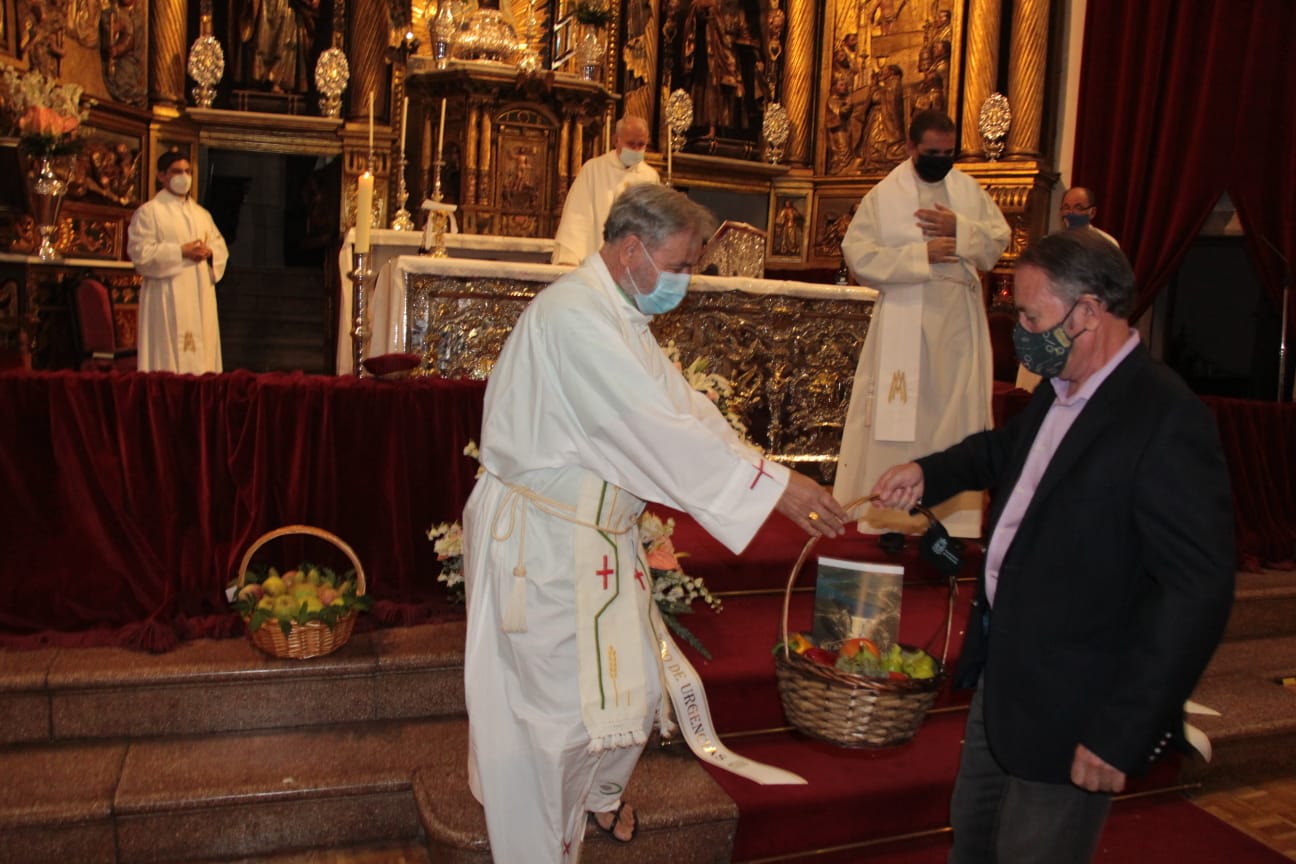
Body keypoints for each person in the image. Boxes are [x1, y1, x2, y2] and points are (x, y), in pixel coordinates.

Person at [463, 183, 848, 863]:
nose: (685, 281)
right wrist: (777, 490)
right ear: (632, 248)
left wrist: (774, 472)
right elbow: (653, 434)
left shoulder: (618, 316)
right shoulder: (575, 319)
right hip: (548, 547)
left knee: (619, 701)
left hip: (591, 541)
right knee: (551, 724)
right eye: (680, 265)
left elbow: (687, 414)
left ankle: (581, 815)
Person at [869, 229, 1235, 863]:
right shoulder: (1060, 390)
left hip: (1078, 712)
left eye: (1033, 316)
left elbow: (1195, 592)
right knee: (974, 845)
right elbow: (1004, 452)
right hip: (1007, 686)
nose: (1024, 331)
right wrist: (930, 471)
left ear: (1088, 312)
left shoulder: (1165, 419)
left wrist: (1125, 730)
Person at [833, 110, 1010, 537]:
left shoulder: (967, 191)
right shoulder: (884, 195)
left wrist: (960, 229)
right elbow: (859, 255)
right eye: (932, 153)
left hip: (955, 324)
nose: (941, 160)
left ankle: (948, 521)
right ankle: (893, 518)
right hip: (905, 316)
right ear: (912, 148)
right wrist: (920, 257)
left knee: (951, 418)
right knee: (902, 420)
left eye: (949, 153)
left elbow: (998, 241)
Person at [127, 152, 229, 373]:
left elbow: (220, 246)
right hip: (166, 293)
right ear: (161, 176)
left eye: (188, 171)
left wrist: (209, 252)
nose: (184, 176)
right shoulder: (149, 213)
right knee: (167, 357)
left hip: (200, 291)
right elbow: (140, 254)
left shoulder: (202, 214)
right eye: (176, 171)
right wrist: (180, 251)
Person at [551, 115, 659, 266]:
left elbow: (654, 226)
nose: (635, 150)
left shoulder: (650, 177)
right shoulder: (594, 170)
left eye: (641, 145)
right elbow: (577, 218)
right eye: (631, 144)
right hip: (596, 265)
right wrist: (569, 258)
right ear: (616, 140)